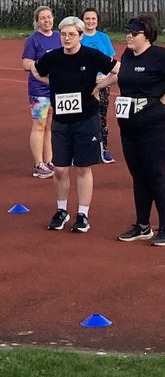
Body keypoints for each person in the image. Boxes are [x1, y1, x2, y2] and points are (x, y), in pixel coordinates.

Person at [98, 15, 165, 247]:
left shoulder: (160, 56)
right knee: (138, 175)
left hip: (156, 125)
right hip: (129, 125)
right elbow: (119, 77)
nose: (129, 36)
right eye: (128, 32)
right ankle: (142, 226)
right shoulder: (127, 55)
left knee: (156, 173)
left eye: (134, 33)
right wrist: (97, 86)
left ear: (147, 35)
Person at [30, 16, 116, 234]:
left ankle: (83, 214)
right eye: (64, 35)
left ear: (80, 36)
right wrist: (54, 84)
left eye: (71, 34)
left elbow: (117, 70)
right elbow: (35, 70)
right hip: (61, 120)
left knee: (82, 167)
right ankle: (61, 211)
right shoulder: (54, 58)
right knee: (59, 169)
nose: (67, 38)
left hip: (86, 119)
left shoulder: (91, 55)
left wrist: (99, 87)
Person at [21, 6, 61, 178]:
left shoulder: (59, 37)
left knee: (50, 125)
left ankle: (49, 160)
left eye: (49, 17)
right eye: (42, 18)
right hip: (39, 90)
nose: (47, 21)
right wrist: (44, 66)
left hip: (57, 88)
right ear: (37, 22)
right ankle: (38, 164)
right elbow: (26, 64)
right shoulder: (33, 40)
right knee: (39, 125)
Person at [80, 8, 118, 164]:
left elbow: (110, 60)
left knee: (101, 115)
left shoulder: (103, 37)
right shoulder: (78, 37)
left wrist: (106, 77)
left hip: (102, 83)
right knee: (82, 115)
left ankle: (103, 149)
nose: (90, 21)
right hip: (83, 84)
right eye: (87, 18)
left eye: (93, 19)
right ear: (82, 20)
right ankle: (82, 148)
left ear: (97, 21)